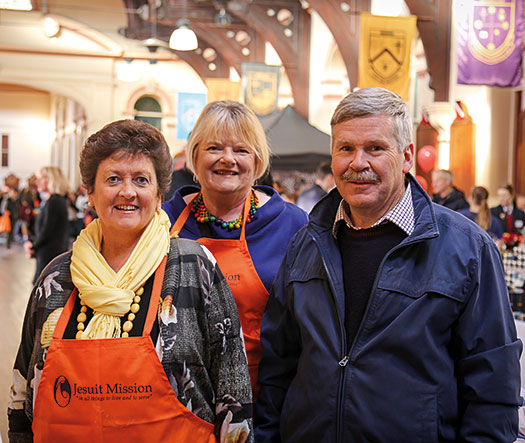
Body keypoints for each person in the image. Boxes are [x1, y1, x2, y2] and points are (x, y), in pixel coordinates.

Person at [256, 87, 521, 441]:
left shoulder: (467, 248)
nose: (358, 163)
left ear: (407, 156)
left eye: (375, 148)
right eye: (345, 148)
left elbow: (493, 387)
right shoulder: (307, 243)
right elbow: (278, 366)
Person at [8, 120, 252, 442]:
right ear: (90, 193)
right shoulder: (56, 277)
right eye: (113, 179)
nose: (128, 191)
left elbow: (233, 394)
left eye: (141, 179)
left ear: (159, 193)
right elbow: (22, 397)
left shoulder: (195, 268)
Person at [163, 101, 308, 399]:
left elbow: (304, 333)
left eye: (241, 150)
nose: (227, 159)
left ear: (257, 161)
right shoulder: (163, 221)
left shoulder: (291, 225)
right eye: (214, 148)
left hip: (263, 400)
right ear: (194, 156)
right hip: (176, 400)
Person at [23, 166, 70, 283]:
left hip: (50, 257)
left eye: (42, 178)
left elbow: (46, 231)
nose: (37, 182)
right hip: (45, 255)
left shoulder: (55, 201)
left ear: (52, 179)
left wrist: (32, 247)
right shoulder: (52, 201)